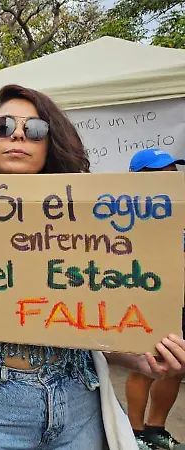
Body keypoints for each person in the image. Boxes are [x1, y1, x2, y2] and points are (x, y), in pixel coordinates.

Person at [0, 84, 185, 449]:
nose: (18, 134)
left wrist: (142, 356)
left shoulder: (88, 220)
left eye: (35, 130)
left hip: (77, 394)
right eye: (3, 127)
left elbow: (88, 322)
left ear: (49, 145)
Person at [126, 148, 185, 450]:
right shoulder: (125, 213)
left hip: (180, 300)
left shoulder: (180, 208)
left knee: (176, 366)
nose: (172, 179)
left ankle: (155, 429)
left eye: (174, 173)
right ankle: (134, 434)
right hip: (144, 301)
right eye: (164, 173)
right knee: (145, 364)